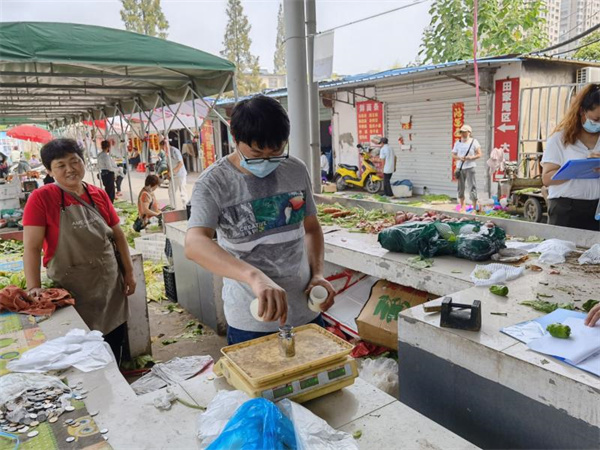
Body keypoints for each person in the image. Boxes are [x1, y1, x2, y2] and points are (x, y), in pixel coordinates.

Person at [185, 95, 335, 345]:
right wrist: (254, 277)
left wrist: (318, 273)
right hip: (252, 319)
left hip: (306, 312)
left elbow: (310, 228)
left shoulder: (295, 170)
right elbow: (194, 243)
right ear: (236, 139)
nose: (267, 161)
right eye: (256, 152)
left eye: (275, 152)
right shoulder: (213, 184)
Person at [22, 138, 136, 361]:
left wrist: (129, 272)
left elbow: (118, 235)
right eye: (61, 165)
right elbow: (32, 248)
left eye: (74, 162)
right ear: (49, 170)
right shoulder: (42, 198)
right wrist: (33, 286)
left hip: (109, 284)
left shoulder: (98, 194)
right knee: (81, 350)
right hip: (72, 289)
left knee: (113, 341)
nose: (70, 169)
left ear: (83, 162)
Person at [542, 84, 600, 231]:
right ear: (582, 111)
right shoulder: (559, 139)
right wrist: (580, 168)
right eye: (596, 119)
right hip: (566, 209)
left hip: (597, 209)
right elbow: (547, 178)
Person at [452, 124, 482, 212]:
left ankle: (474, 207)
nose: (463, 134)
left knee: (472, 186)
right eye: (461, 132)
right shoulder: (458, 142)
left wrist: (471, 158)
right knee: (460, 187)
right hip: (460, 167)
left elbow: (479, 154)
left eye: (464, 132)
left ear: (469, 132)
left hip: (470, 167)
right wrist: (459, 158)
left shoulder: (474, 141)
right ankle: (462, 206)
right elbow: (453, 154)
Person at [161, 140, 188, 209]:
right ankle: (173, 207)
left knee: (183, 192)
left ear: (166, 145)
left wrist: (173, 172)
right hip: (173, 176)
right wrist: (168, 173)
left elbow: (181, 163)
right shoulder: (166, 153)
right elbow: (168, 164)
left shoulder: (175, 151)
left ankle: (186, 207)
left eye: (162, 147)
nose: (162, 149)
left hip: (180, 174)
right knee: (171, 191)